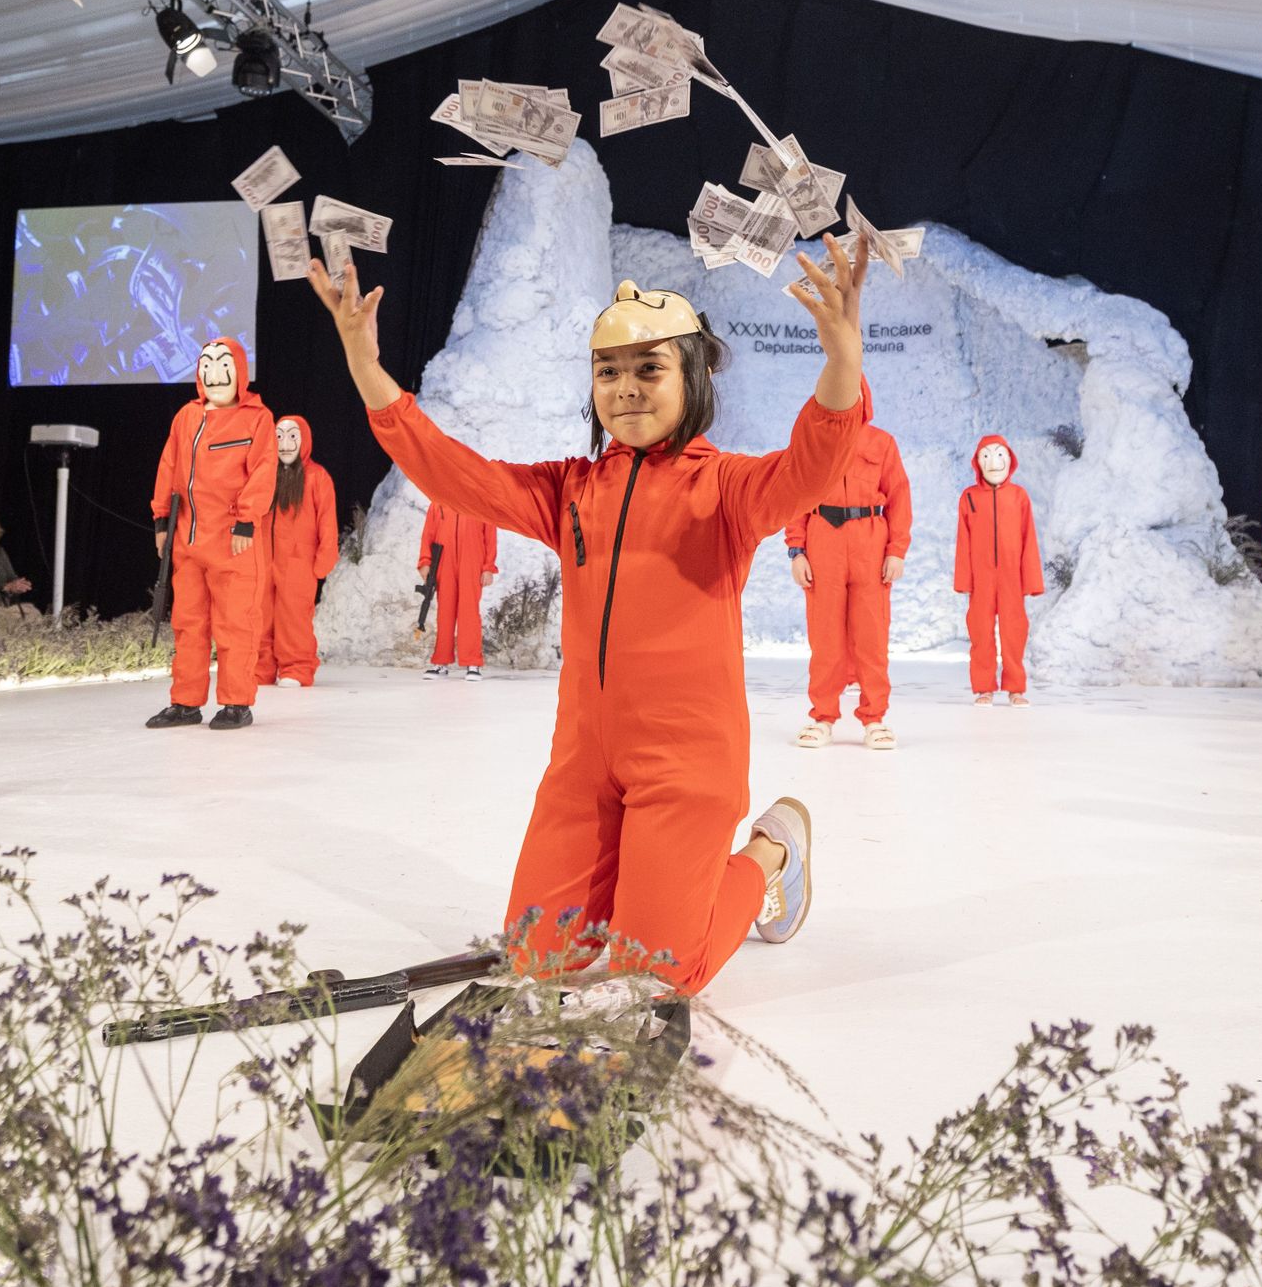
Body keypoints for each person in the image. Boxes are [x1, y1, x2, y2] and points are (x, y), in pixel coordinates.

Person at [307, 251, 870, 994]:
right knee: (540, 959)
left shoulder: (728, 489)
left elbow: (814, 465)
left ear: (693, 378)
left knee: (659, 973)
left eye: (649, 369)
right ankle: (638, 889)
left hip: (686, 764)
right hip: (584, 761)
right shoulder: (569, 489)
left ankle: (770, 853)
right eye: (608, 372)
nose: (626, 389)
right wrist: (366, 366)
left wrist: (841, 359)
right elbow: (451, 472)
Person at [144, 338, 275, 731]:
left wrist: (247, 521)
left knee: (236, 623)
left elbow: (264, 470)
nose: (214, 374)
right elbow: (169, 467)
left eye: (223, 365)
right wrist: (162, 521)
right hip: (187, 542)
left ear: (240, 371)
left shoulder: (257, 418)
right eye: (206, 365)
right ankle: (185, 701)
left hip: (234, 542)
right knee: (189, 623)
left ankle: (237, 701)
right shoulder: (187, 416)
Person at [788, 377, 910, 751]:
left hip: (869, 543)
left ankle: (875, 718)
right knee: (824, 635)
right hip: (823, 539)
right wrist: (796, 550)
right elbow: (794, 494)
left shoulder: (882, 443)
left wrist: (896, 550)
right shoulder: (813, 442)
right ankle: (821, 716)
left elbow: (900, 496)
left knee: (872, 634)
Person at [954, 434, 1045, 705]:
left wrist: (1031, 581)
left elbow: (1029, 538)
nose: (993, 461)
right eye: (986, 455)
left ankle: (1016, 688)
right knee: (980, 631)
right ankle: (984, 687)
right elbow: (963, 540)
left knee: (1014, 631)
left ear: (1010, 459)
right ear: (977, 462)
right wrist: (964, 580)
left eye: (1000, 454)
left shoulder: (1019, 497)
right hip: (981, 578)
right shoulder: (969, 497)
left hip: (1011, 577)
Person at [259, 416, 339, 688]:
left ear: (304, 439)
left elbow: (328, 522)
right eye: (279, 436)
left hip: (299, 562)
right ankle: (262, 668)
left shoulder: (317, 477)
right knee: (261, 614)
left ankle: (296, 668)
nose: (285, 443)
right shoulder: (265, 474)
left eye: (292, 436)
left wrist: (323, 561)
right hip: (265, 559)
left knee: (293, 617)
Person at [417, 499, 496, 679]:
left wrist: (488, 567)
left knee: (469, 612)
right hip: (445, 560)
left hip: (472, 559)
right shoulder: (439, 501)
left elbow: (490, 535)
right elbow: (428, 532)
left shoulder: (482, 502)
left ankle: (473, 663)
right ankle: (441, 663)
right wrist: (425, 561)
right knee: (445, 612)